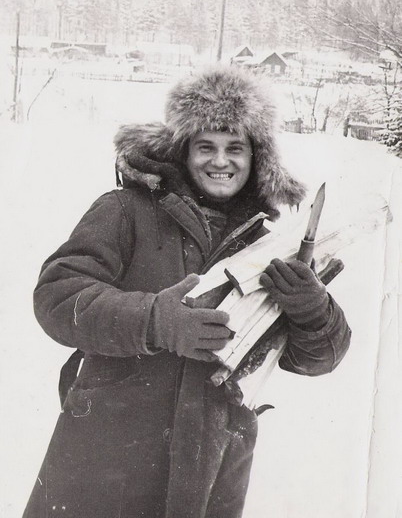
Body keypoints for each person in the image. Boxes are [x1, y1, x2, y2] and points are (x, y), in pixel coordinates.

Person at [23, 66, 351, 518]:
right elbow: (58, 296)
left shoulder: (269, 245)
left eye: (235, 148)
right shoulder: (125, 210)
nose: (221, 161)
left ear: (257, 158)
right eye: (206, 147)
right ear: (183, 151)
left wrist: (313, 312)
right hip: (107, 453)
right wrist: (154, 322)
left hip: (210, 467)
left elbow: (317, 359)